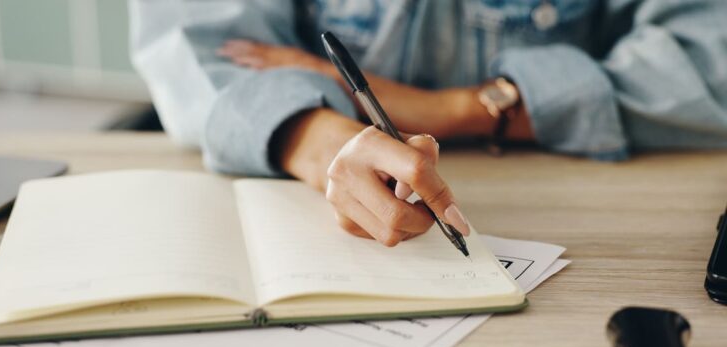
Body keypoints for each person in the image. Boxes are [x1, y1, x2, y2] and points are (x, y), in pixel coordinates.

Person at [130, 0, 727, 247]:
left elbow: (708, 55)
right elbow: (205, 48)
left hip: (588, 207)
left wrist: (447, 110)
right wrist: (327, 143)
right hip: (299, 194)